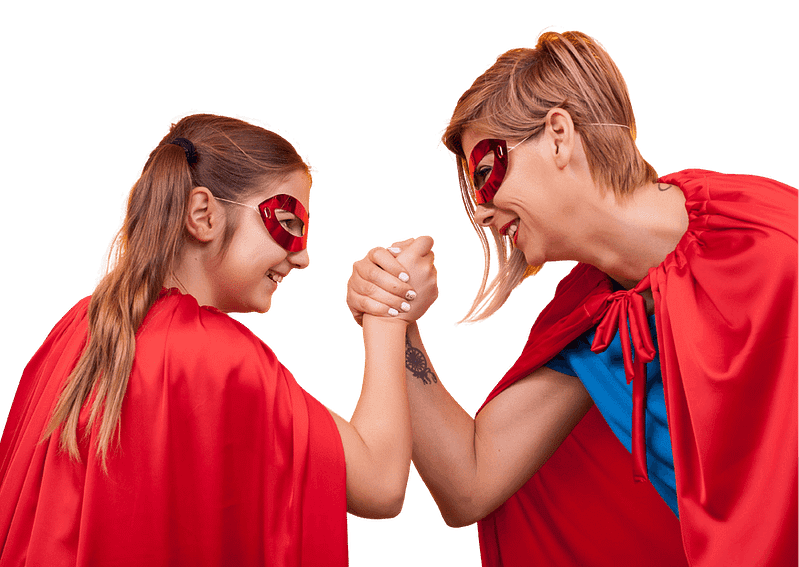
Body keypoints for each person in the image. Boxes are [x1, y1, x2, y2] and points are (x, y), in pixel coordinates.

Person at [346, 30, 797, 566]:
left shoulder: (770, 240)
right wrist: (397, 319)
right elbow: (470, 482)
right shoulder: (600, 315)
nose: (481, 214)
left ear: (559, 135)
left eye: (486, 174)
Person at [0, 111, 438, 566]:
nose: (303, 255)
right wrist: (388, 314)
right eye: (287, 221)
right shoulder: (222, 357)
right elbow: (382, 485)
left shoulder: (78, 327)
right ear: (202, 214)